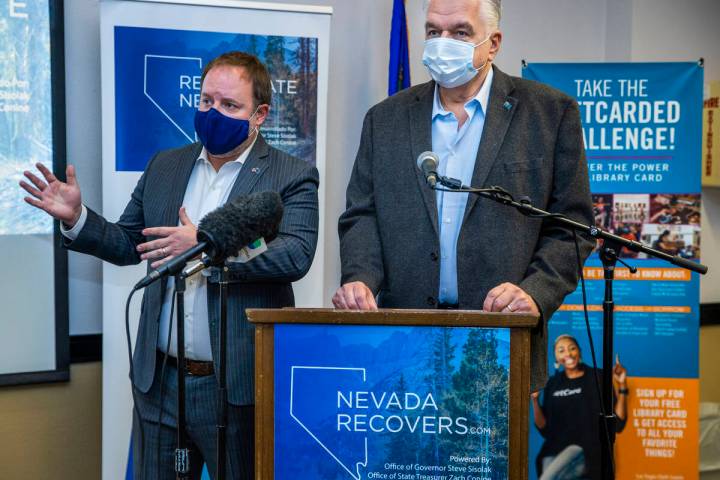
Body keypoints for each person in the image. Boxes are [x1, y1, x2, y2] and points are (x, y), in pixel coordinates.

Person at [20, 51, 319, 479]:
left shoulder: (291, 175)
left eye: (230, 106)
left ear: (261, 115)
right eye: (206, 101)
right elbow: (129, 243)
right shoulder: (166, 165)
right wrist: (77, 218)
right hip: (160, 382)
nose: (213, 113)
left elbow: (295, 253)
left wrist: (206, 244)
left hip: (234, 387)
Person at [333, 0, 594, 393]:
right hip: (404, 343)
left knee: (486, 457)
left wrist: (534, 293)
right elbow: (362, 215)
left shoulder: (549, 114)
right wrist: (361, 279)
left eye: (460, 32)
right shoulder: (385, 119)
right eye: (433, 32)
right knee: (401, 453)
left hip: (501, 340)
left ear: (493, 44)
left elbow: (572, 227)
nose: (443, 43)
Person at [531, 334, 628, 480]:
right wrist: (534, 401)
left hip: (588, 454)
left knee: (553, 472)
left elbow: (618, 422)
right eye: (561, 350)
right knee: (548, 465)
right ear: (556, 358)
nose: (568, 354)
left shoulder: (598, 377)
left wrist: (622, 385)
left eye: (572, 348)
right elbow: (545, 429)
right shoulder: (552, 383)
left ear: (579, 352)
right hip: (554, 453)